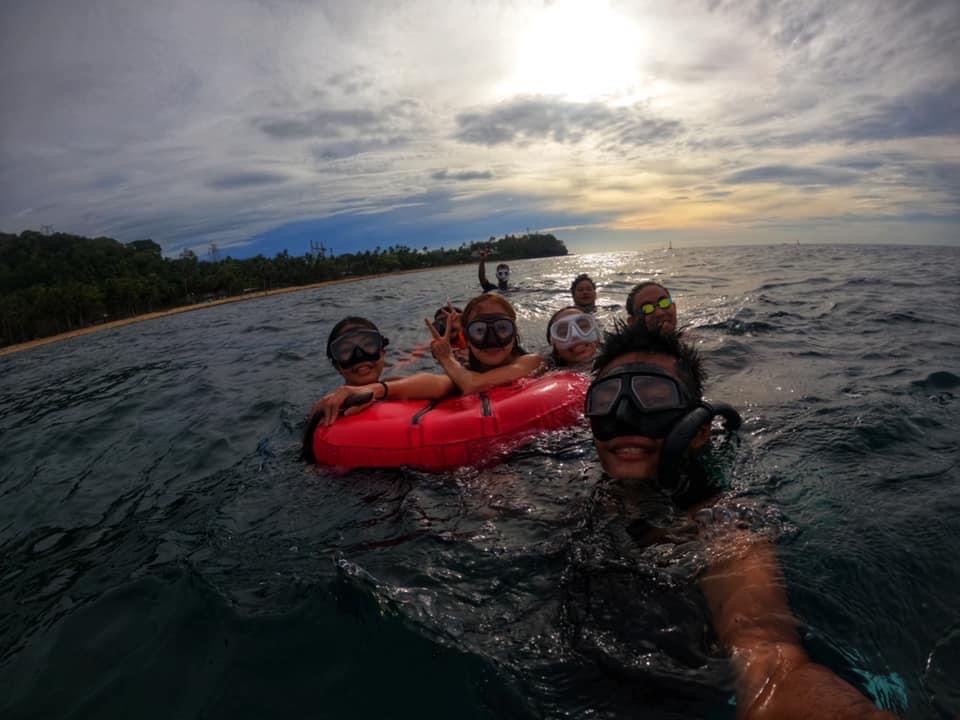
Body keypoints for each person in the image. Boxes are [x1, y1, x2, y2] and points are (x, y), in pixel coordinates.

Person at [583, 320, 896, 719]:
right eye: (607, 397)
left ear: (698, 430)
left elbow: (766, 655)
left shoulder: (723, 525)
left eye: (655, 396)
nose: (625, 416)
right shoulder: (579, 493)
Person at [311, 316, 453, 426]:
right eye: (346, 350)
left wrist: (378, 390)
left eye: (368, 345)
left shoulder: (392, 386)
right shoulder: (333, 403)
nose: (360, 356)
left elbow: (446, 383)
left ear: (383, 352)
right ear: (337, 365)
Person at [427, 293, 543, 394]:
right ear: (467, 338)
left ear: (513, 333)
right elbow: (436, 383)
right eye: (479, 330)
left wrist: (446, 359)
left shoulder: (532, 362)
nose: (491, 340)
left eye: (502, 328)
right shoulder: (463, 372)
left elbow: (474, 385)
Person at [543, 306, 600, 372]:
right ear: (554, 348)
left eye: (583, 326)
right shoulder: (545, 371)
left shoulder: (612, 360)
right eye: (564, 332)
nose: (575, 335)